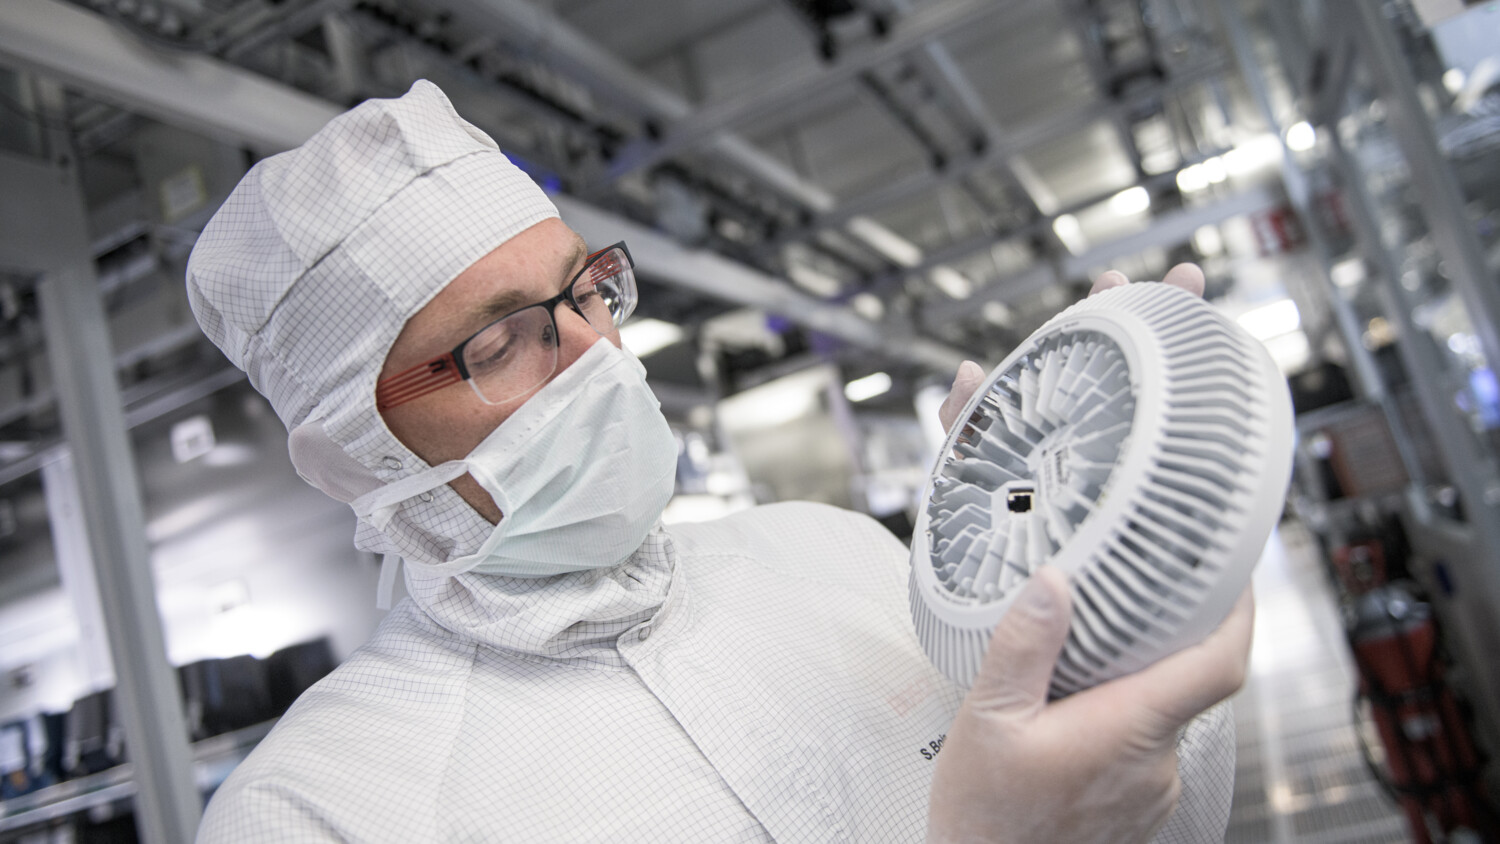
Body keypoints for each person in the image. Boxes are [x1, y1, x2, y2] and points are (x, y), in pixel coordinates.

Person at [186, 80, 1250, 843]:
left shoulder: (828, 552)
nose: (598, 352)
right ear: (349, 458)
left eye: (587, 289)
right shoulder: (323, 809)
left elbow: (1156, 811)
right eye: (499, 342)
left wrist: (1119, 570)